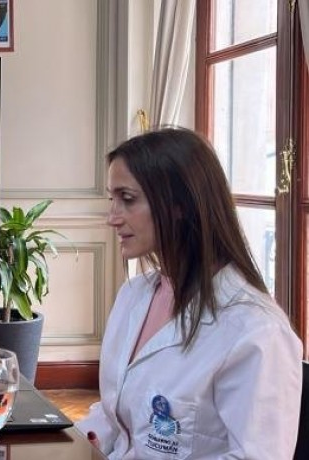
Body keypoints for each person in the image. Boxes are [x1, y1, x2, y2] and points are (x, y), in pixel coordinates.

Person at [77, 127, 303, 459]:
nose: (113, 218)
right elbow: (116, 415)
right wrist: (70, 445)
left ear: (178, 205)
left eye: (127, 199)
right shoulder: (133, 295)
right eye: (113, 199)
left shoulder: (257, 331)